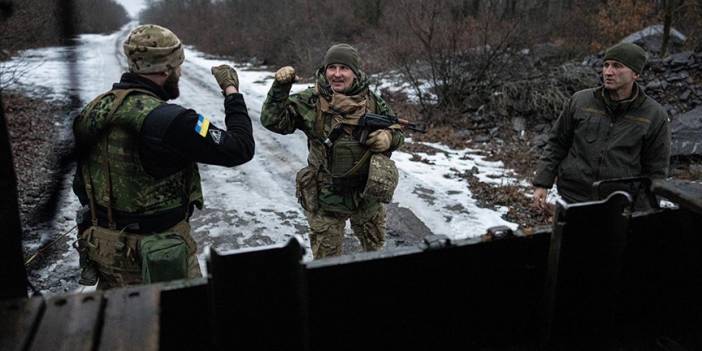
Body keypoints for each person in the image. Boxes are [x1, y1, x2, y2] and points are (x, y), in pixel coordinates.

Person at [72, 24, 254, 289]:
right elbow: (239, 148)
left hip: (107, 253)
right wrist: (232, 92)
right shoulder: (174, 121)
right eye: (178, 66)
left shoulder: (92, 111)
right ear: (167, 69)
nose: (179, 72)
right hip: (159, 258)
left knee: (121, 325)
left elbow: (82, 184)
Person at [261, 43, 404, 258]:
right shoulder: (311, 101)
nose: (337, 74)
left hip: (366, 197)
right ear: (325, 70)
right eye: (332, 68)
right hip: (326, 199)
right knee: (326, 267)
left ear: (355, 73)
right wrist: (279, 89)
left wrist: (388, 138)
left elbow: (397, 130)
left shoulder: (372, 101)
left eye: (344, 68)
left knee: (376, 256)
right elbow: (272, 121)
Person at [532, 42, 670, 210]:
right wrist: (542, 184)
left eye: (617, 66)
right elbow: (557, 144)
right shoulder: (580, 101)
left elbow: (656, 170)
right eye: (606, 65)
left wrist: (647, 208)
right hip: (572, 197)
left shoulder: (654, 115)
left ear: (636, 74)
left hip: (620, 203)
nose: (608, 72)